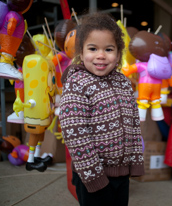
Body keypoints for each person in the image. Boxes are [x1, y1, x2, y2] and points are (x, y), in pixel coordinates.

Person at [59, 12, 145, 206]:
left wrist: (135, 161)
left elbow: (133, 123)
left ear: (118, 53)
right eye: (92, 48)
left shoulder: (123, 82)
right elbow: (75, 133)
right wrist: (94, 176)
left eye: (108, 49)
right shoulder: (77, 83)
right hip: (92, 176)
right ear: (81, 52)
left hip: (121, 174)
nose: (100, 55)